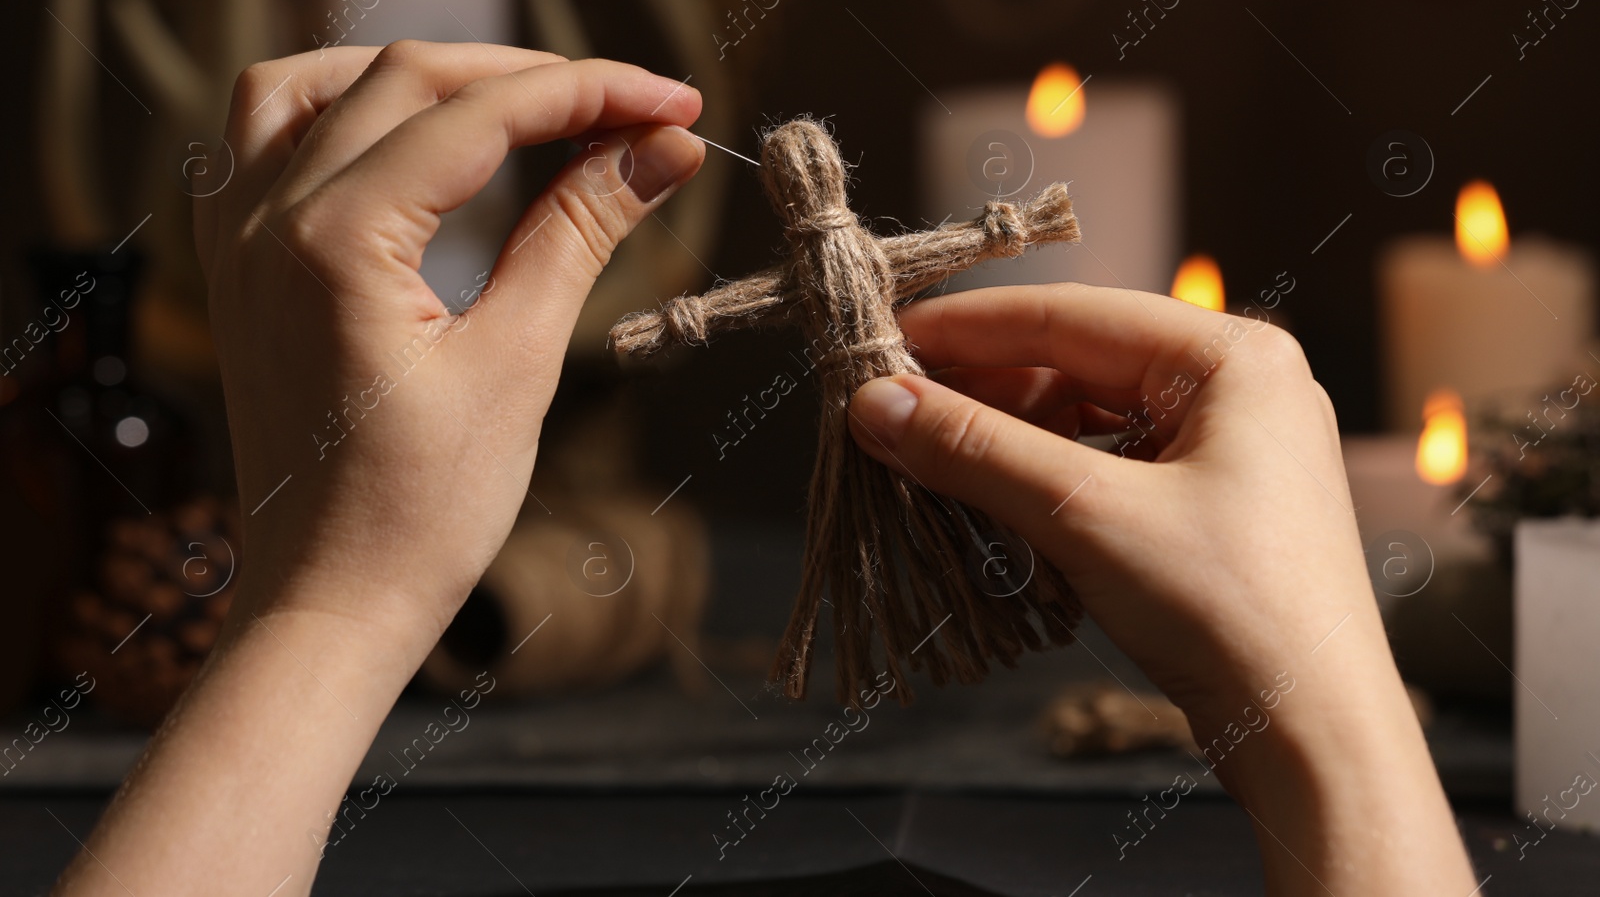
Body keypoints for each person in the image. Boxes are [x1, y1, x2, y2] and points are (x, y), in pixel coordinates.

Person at [52, 43, 1475, 896]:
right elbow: (757, 304)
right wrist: (1335, 728)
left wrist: (317, 614)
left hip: (887, 397)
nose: (805, 191)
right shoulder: (814, 257)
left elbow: (937, 253)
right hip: (873, 418)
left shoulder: (854, 246)